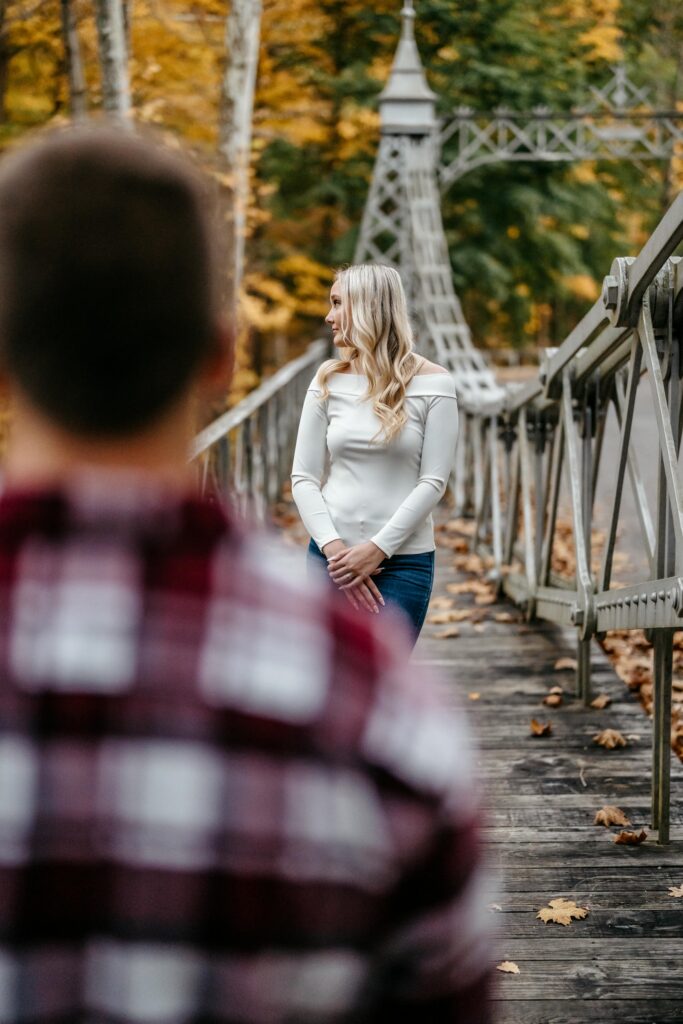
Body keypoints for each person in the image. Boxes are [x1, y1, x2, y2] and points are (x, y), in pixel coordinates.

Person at [0, 125, 491, 1023]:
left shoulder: (430, 392)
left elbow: (432, 476)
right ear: (218, 358)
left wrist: (373, 547)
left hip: (389, 560)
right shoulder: (373, 699)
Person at [291, 264, 459, 645]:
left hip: (404, 563)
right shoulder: (327, 379)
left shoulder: (435, 383)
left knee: (382, 690)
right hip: (329, 560)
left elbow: (433, 482)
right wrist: (336, 552)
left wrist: (376, 550)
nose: (328, 316)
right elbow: (303, 477)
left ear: (368, 307)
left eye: (337, 303)